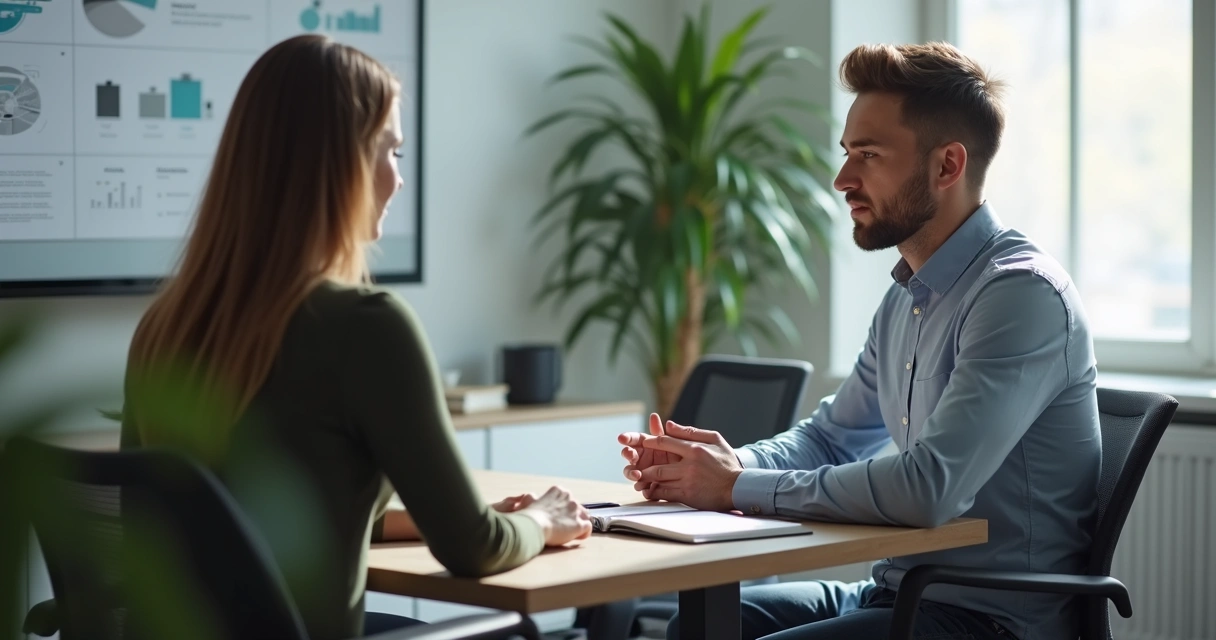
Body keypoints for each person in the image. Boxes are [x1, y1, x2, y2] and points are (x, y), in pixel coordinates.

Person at [621, 42, 1100, 640]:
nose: (843, 179)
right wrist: (724, 465)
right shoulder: (907, 297)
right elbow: (831, 437)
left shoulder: (1020, 296)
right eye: (848, 153)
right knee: (697, 625)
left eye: (869, 155)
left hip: (990, 618)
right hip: (897, 591)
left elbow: (930, 489)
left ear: (947, 166)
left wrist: (736, 487)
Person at [120, 34, 591, 640]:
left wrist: (435, 517)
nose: (396, 180)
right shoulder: (365, 327)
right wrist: (543, 521)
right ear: (338, 165)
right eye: (388, 151)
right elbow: (473, 548)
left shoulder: (164, 328)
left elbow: (244, 520)